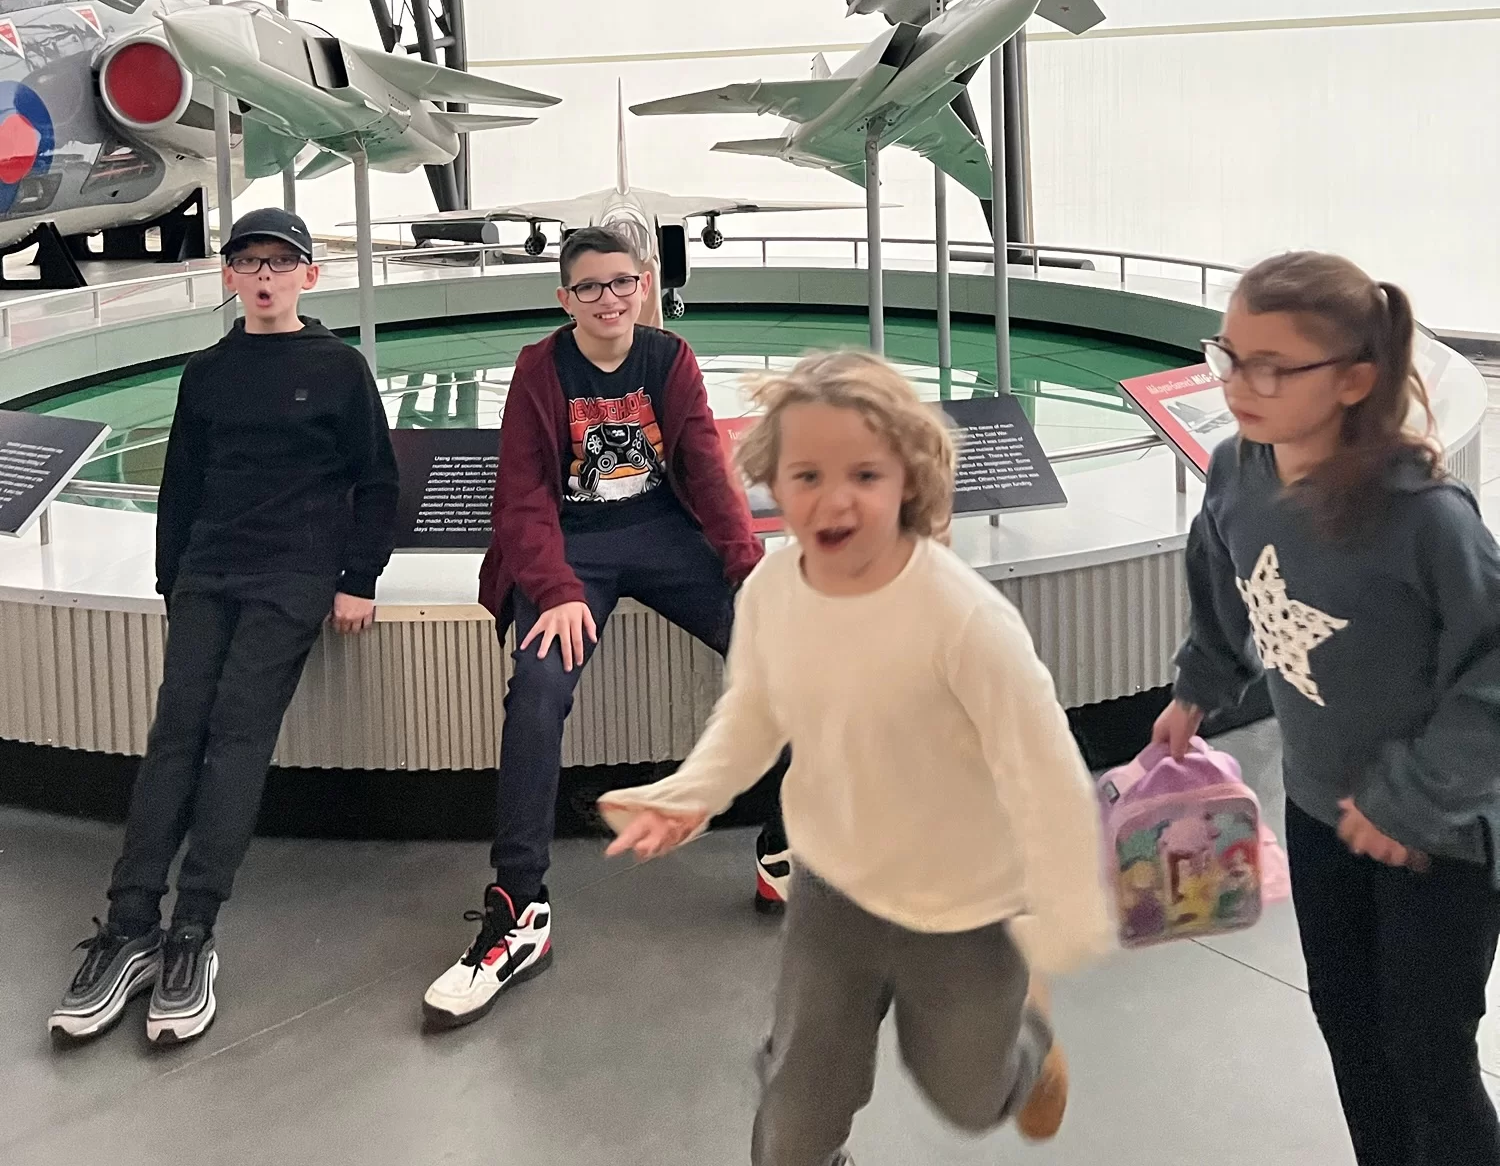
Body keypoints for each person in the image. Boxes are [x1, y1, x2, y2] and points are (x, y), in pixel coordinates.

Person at [601, 350, 1111, 1163]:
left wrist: (1066, 910)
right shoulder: (772, 591)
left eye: (863, 475)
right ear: (774, 480)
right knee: (797, 1115)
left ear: (907, 477)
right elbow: (755, 709)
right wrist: (690, 794)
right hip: (833, 885)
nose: (832, 499)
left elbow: (1044, 768)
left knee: (968, 1095)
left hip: (964, 906)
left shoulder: (962, 620)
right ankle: (814, 1113)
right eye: (806, 475)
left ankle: (1030, 1041)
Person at [1155, 251, 1500, 1166]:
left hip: (1440, 836)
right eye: (1230, 356)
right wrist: (1200, 683)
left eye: (1272, 366)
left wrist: (1415, 801)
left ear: (1355, 380)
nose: (1239, 385)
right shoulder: (1237, 468)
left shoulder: (1425, 517)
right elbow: (1224, 575)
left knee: (1428, 1053)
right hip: (1317, 811)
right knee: (1350, 1028)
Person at [422, 226, 790, 1030]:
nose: (609, 299)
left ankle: (786, 845)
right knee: (539, 689)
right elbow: (519, 496)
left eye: (622, 282)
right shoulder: (539, 369)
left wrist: (748, 567)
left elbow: (704, 469)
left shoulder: (670, 359)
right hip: (570, 552)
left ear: (645, 285)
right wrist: (552, 590)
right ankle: (519, 907)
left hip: (665, 539)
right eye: (589, 287)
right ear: (565, 299)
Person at [48, 207, 399, 1048]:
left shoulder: (340, 369)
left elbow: (377, 482)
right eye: (251, 262)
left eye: (282, 262)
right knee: (175, 736)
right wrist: (174, 580)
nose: (267, 275)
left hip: (292, 577)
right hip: (209, 573)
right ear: (230, 277)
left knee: (236, 738)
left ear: (310, 277)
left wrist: (356, 578)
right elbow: (182, 482)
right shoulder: (206, 372)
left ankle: (194, 929)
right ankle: (130, 923)